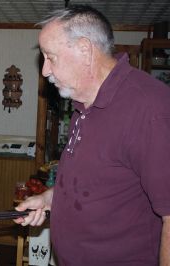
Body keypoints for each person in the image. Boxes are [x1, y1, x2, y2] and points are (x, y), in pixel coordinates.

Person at [14, 5, 170, 265]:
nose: (45, 71)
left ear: (85, 51)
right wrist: (50, 198)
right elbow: (98, 184)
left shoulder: (149, 108)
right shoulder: (83, 106)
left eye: (50, 57)